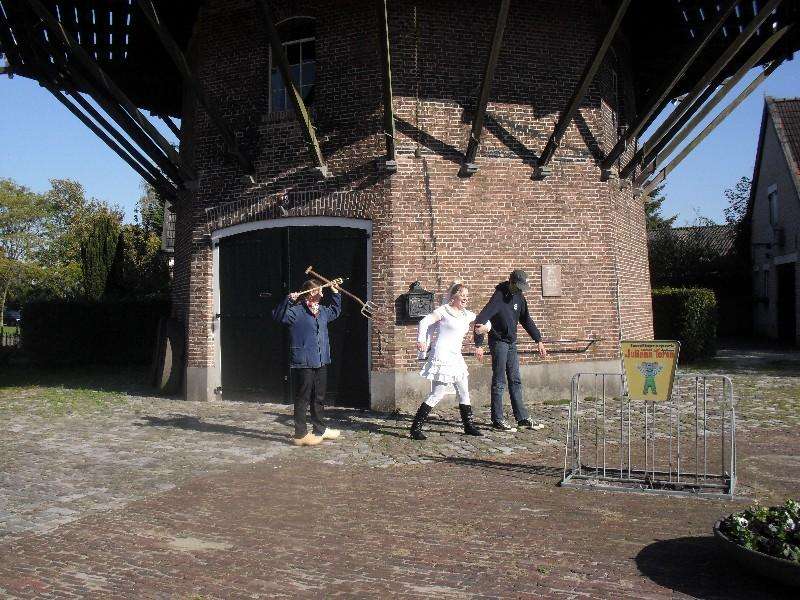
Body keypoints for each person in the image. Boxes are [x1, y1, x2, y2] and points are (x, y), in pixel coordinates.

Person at [409, 282, 486, 440]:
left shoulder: (467, 314)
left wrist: (484, 329)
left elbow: (485, 321)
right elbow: (424, 322)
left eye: (467, 295)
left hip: (456, 357)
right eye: (462, 295)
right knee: (437, 393)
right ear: (454, 296)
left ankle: (469, 425)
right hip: (442, 356)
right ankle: (415, 428)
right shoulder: (443, 311)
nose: (465, 298)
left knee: (464, 390)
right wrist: (421, 340)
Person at [473, 269, 547, 432]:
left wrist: (538, 340)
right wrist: (479, 344)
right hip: (498, 342)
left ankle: (522, 418)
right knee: (499, 381)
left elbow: (526, 319)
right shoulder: (498, 297)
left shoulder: (519, 297)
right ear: (511, 282)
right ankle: (497, 419)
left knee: (515, 380)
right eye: (518, 287)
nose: (520, 290)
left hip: (512, 343)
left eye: (522, 287)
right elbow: (481, 319)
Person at [272, 279, 343, 446]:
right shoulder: (296, 311)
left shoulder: (322, 311)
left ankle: (320, 429)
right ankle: (300, 434)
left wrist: (336, 293)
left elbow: (335, 311)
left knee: (319, 397)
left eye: (321, 291)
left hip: (321, 360)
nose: (320, 294)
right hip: (304, 361)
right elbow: (278, 316)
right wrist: (288, 300)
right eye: (317, 291)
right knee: (303, 397)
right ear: (309, 292)